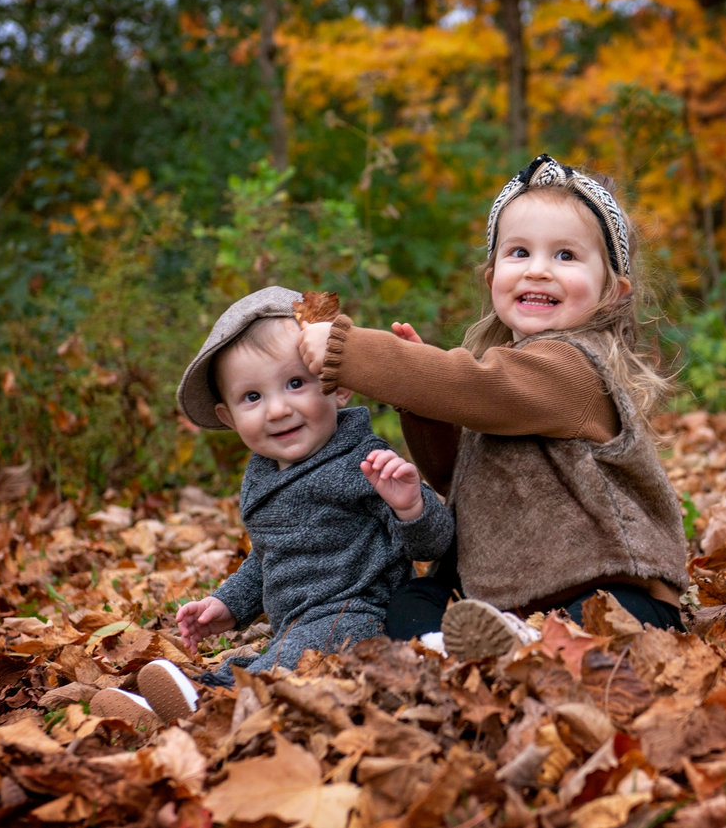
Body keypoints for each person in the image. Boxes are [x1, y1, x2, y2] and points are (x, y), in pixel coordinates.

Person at [298, 154, 690, 661]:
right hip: (505, 593)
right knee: (415, 598)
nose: (539, 270)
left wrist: (353, 353)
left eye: (566, 256)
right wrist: (421, 401)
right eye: (519, 252)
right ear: (492, 277)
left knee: (601, 619)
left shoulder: (573, 368)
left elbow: (477, 385)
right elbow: (453, 475)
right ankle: (453, 649)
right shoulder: (504, 376)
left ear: (612, 292)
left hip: (605, 586)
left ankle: (517, 651)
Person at [90, 286, 454, 728]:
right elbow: (267, 557)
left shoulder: (363, 461)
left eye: (296, 384)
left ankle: (207, 709)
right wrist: (227, 605)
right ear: (228, 418)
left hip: (359, 616)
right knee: (271, 656)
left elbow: (435, 543)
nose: (278, 410)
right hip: (296, 625)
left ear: (337, 388)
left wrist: (410, 507)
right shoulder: (263, 474)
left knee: (289, 659)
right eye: (252, 397)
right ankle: (187, 697)